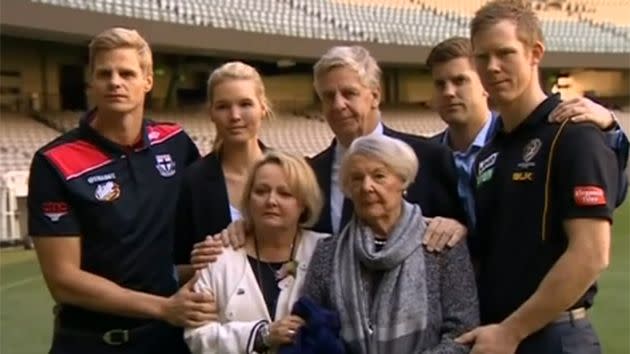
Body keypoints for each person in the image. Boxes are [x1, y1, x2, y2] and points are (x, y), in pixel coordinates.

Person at [27, 27, 215, 354]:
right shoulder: (55, 161)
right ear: (92, 83)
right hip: (93, 343)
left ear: (147, 81)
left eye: (127, 73)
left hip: (170, 341)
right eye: (104, 73)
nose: (115, 81)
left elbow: (217, 198)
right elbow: (64, 281)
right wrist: (162, 307)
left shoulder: (175, 142)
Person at [454, 1, 623, 353]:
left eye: (505, 53)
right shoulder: (489, 153)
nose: (493, 67)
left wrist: (511, 332)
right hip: (500, 337)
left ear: (535, 53)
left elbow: (591, 254)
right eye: (482, 57)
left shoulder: (574, 134)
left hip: (554, 338)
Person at [426, 36, 629, 231]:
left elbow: (614, 195)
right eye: (440, 84)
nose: (449, 92)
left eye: (460, 81)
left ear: (485, 85)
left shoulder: (528, 140)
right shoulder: (425, 159)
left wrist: (610, 129)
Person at [302, 135, 479, 353]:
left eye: (379, 176)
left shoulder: (441, 243)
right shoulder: (327, 253)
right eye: (357, 178)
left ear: (403, 181)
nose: (367, 186)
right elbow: (312, 329)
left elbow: (461, 331)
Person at [309, 46, 468, 250]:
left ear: (375, 96)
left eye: (349, 93)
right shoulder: (311, 174)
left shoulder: (430, 159)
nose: (338, 104)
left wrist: (457, 227)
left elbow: (460, 238)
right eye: (329, 96)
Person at [184, 151, 330, 354]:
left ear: (303, 203)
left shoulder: (326, 252)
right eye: (261, 191)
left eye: (285, 193)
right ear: (248, 198)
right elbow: (197, 336)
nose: (271, 201)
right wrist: (261, 335)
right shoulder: (218, 256)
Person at [174, 61, 272, 283]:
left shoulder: (290, 173)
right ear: (211, 113)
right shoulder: (192, 182)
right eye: (223, 106)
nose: (235, 115)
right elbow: (174, 267)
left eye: (245, 104)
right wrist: (199, 265)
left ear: (263, 107)